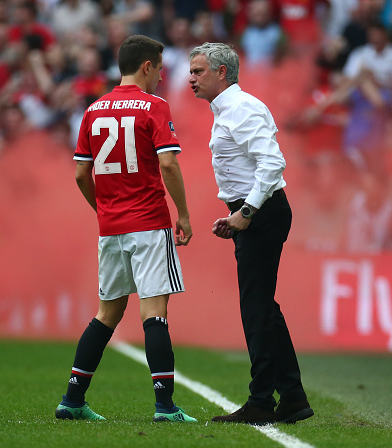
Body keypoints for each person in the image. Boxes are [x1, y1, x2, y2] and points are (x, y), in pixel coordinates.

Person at [55, 34, 196, 423]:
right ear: (147, 66)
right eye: (160, 70)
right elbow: (168, 165)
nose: (161, 79)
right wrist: (183, 215)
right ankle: (165, 407)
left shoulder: (93, 109)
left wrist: (104, 209)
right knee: (154, 312)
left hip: (111, 226)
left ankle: (72, 400)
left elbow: (82, 172)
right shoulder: (154, 106)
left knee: (106, 314)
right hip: (149, 223)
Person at [188, 42, 312, 425]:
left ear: (222, 72)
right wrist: (237, 213)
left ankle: (262, 400)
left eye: (198, 71)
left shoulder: (240, 108)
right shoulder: (229, 109)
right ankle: (292, 396)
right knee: (263, 308)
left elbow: (272, 163)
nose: (190, 78)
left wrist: (246, 212)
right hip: (254, 212)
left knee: (256, 309)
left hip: (262, 212)